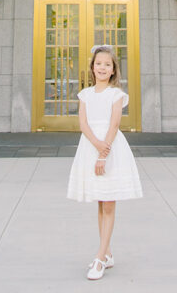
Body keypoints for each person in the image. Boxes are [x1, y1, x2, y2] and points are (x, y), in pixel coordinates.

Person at [67, 45, 143, 281]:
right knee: (100, 203)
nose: (102, 68)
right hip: (90, 147)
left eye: (107, 65)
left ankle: (100, 257)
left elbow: (114, 125)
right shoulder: (85, 94)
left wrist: (104, 152)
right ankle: (107, 252)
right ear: (92, 68)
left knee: (109, 203)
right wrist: (96, 147)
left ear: (113, 70)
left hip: (111, 150)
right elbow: (83, 124)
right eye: (98, 63)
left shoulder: (116, 95)